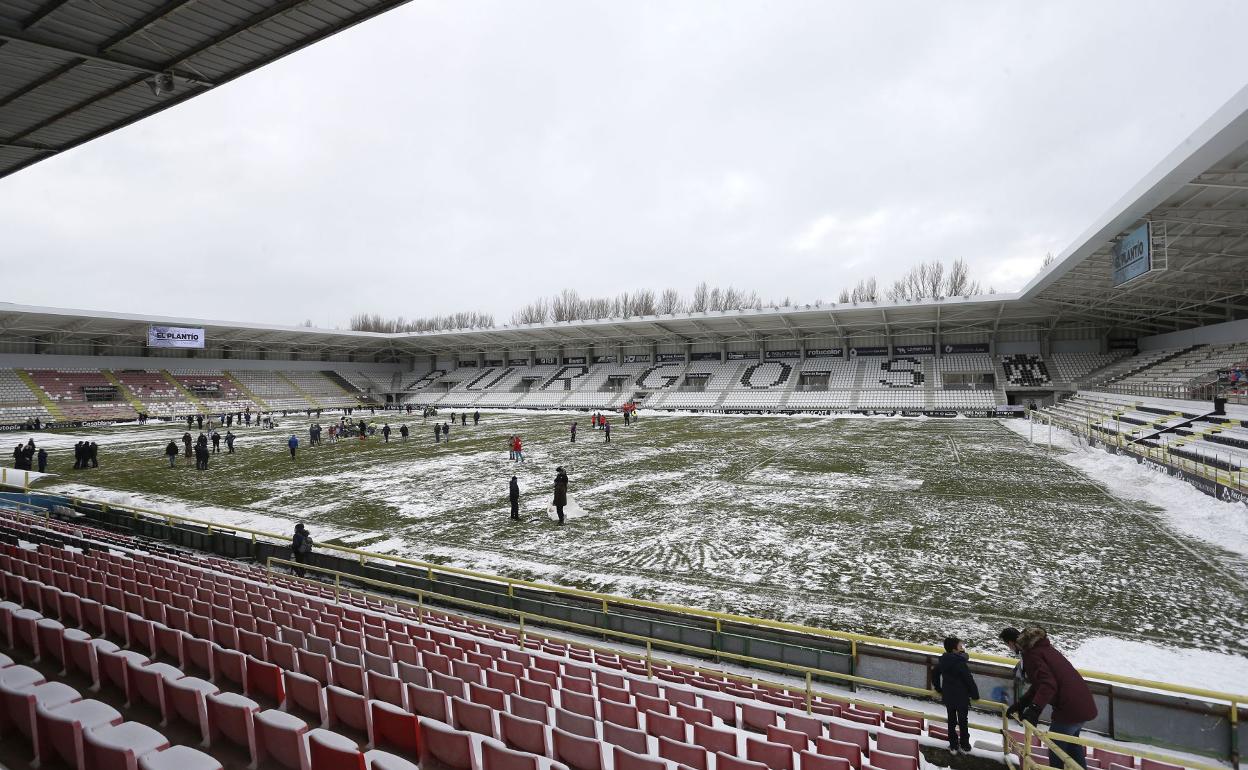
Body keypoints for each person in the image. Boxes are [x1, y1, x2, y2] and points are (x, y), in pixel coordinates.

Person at [1007, 627, 1097, 768]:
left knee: (1055, 748)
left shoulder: (1032, 655)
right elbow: (1040, 684)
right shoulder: (1046, 649)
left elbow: (1048, 685)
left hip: (1069, 709)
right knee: (1072, 745)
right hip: (1083, 704)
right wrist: (1022, 703)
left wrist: (1034, 710)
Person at [932, 636, 979, 753]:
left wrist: (938, 688)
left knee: (951, 720)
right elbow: (968, 679)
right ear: (954, 649)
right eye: (959, 646)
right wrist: (975, 694)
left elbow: (934, 673)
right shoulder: (959, 663)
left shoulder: (943, 660)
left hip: (948, 696)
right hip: (961, 697)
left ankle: (953, 744)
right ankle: (965, 744)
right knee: (963, 721)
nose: (962, 648)